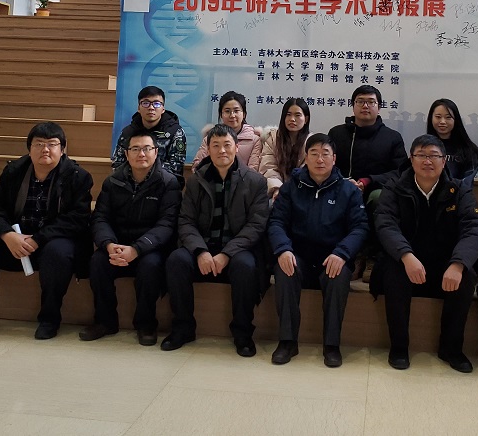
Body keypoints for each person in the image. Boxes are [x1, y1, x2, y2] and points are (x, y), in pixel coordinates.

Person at [0, 122, 92, 340]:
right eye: (39, 144)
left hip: (53, 241)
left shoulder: (78, 176)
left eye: (52, 144)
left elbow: (77, 219)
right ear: (29, 148)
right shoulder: (14, 171)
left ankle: (49, 319)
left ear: (63, 149)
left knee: (57, 253)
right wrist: (7, 235)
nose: (45, 150)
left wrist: (38, 239)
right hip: (16, 241)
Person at [372, 134, 478, 372]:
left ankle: (451, 349)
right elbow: (385, 224)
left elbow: (473, 229)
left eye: (434, 156)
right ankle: (399, 347)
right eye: (421, 155)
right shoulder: (394, 187)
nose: (427, 161)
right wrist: (406, 255)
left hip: (445, 266)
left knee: (466, 276)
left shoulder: (459, 190)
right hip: (407, 263)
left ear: (444, 161)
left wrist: (458, 263)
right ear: (411, 159)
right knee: (393, 271)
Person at [161, 124, 270, 356]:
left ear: (237, 147)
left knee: (246, 266)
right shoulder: (195, 181)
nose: (222, 150)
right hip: (203, 248)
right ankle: (183, 328)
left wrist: (226, 253)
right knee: (176, 260)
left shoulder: (255, 182)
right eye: (216, 145)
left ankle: (243, 333)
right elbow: (186, 221)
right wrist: (200, 251)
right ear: (208, 149)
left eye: (227, 145)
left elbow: (256, 226)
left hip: (237, 250)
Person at [267, 133, 368, 368]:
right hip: (298, 255)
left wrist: (342, 253)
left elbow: (360, 227)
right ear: (306, 157)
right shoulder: (291, 187)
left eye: (325, 154)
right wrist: (283, 249)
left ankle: (332, 345)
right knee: (285, 270)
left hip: (333, 256)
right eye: (314, 154)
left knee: (337, 276)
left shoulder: (348, 190)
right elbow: (276, 222)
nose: (320, 159)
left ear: (334, 158)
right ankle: (287, 341)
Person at [78, 132, 181, 345]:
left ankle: (146, 324)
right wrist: (109, 244)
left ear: (156, 152)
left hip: (150, 248)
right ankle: (105, 321)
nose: (141, 154)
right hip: (117, 244)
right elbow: (100, 218)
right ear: (126, 154)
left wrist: (137, 249)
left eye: (146, 149)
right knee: (97, 262)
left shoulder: (168, 183)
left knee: (151, 266)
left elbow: (166, 225)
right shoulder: (113, 181)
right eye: (135, 149)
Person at [327, 85, 407, 196]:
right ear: (353, 106)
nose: (365, 106)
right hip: (339, 190)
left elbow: (401, 171)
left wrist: (369, 181)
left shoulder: (392, 137)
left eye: (371, 102)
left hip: (377, 193)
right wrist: (343, 181)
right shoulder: (336, 133)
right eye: (360, 101)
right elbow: (327, 164)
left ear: (379, 108)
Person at [110, 85, 187, 184]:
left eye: (156, 104)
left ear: (163, 109)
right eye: (146, 103)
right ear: (139, 108)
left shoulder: (175, 132)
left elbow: (176, 168)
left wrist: (144, 173)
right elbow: (117, 164)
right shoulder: (128, 132)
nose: (151, 108)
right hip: (130, 185)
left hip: (163, 185)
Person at [191, 91, 262, 169]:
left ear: (244, 114)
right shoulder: (210, 138)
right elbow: (197, 167)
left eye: (236, 111)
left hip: (244, 177)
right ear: (221, 114)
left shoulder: (254, 140)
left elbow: (253, 170)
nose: (232, 115)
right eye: (227, 111)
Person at [258, 97, 310, 198]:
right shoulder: (273, 138)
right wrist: (277, 189)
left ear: (306, 119)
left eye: (297, 115)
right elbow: (268, 167)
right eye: (288, 114)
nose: (292, 119)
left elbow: (308, 171)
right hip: (275, 192)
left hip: (302, 193)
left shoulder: (311, 142)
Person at [426, 98, 478, 189]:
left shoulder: (468, 150)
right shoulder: (423, 147)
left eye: (448, 117)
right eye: (438, 117)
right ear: (431, 118)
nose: (442, 121)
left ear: (456, 120)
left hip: (458, 195)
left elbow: (466, 183)